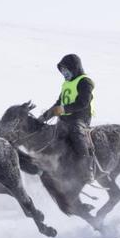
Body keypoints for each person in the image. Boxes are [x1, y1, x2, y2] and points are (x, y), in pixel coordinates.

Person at [39, 53, 95, 181]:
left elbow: (83, 102)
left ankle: (87, 170)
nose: (64, 73)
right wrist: (44, 117)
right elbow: (59, 103)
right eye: (62, 70)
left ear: (74, 68)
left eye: (66, 70)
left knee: (76, 135)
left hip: (80, 118)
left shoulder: (84, 82)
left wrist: (64, 109)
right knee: (51, 136)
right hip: (65, 119)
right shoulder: (66, 84)